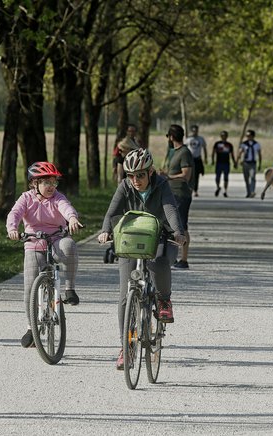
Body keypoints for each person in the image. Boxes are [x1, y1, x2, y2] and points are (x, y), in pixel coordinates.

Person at [98, 149, 187, 370]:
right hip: (131, 238)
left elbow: (170, 210)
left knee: (159, 263)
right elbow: (111, 212)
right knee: (124, 295)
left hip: (159, 235)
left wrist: (177, 231)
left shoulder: (162, 185)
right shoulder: (125, 186)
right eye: (131, 175)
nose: (135, 180)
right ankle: (125, 346)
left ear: (150, 172)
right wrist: (105, 231)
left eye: (140, 175)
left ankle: (164, 300)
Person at [6, 161, 84, 348]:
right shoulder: (26, 198)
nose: (51, 186)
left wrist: (72, 218)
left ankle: (69, 289)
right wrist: (12, 229)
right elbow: (14, 214)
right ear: (35, 184)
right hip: (34, 242)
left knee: (69, 246)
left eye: (53, 182)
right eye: (46, 182)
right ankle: (31, 327)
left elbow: (67, 208)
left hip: (57, 238)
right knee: (30, 287)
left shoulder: (58, 197)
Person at [160, 124, 194, 269]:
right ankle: (172, 256)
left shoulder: (184, 152)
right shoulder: (174, 152)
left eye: (168, 136)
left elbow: (186, 175)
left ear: (171, 137)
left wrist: (168, 177)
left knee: (181, 226)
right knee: (171, 226)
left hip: (181, 193)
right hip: (171, 193)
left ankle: (184, 259)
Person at [211, 130, 237, 197]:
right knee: (217, 177)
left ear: (227, 136)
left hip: (226, 163)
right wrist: (212, 160)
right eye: (222, 136)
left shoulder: (229, 145)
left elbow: (232, 154)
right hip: (219, 162)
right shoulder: (217, 144)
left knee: (226, 177)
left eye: (225, 136)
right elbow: (213, 152)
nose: (223, 137)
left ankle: (225, 191)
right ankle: (218, 187)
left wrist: (234, 162)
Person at [237, 129, 262, 198]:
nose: (248, 137)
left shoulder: (257, 144)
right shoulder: (244, 144)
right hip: (245, 163)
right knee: (246, 178)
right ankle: (248, 192)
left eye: (249, 136)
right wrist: (237, 160)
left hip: (253, 163)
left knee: (253, 177)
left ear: (253, 136)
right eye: (247, 136)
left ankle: (252, 191)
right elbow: (240, 152)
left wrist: (260, 163)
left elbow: (259, 154)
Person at [185, 125, 207, 197]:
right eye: (193, 130)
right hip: (190, 159)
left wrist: (205, 158)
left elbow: (204, 148)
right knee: (190, 175)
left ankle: (195, 190)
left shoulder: (201, 139)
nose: (195, 132)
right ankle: (189, 189)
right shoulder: (188, 139)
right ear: (192, 131)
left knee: (196, 175)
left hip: (198, 159)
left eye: (196, 130)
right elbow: (184, 149)